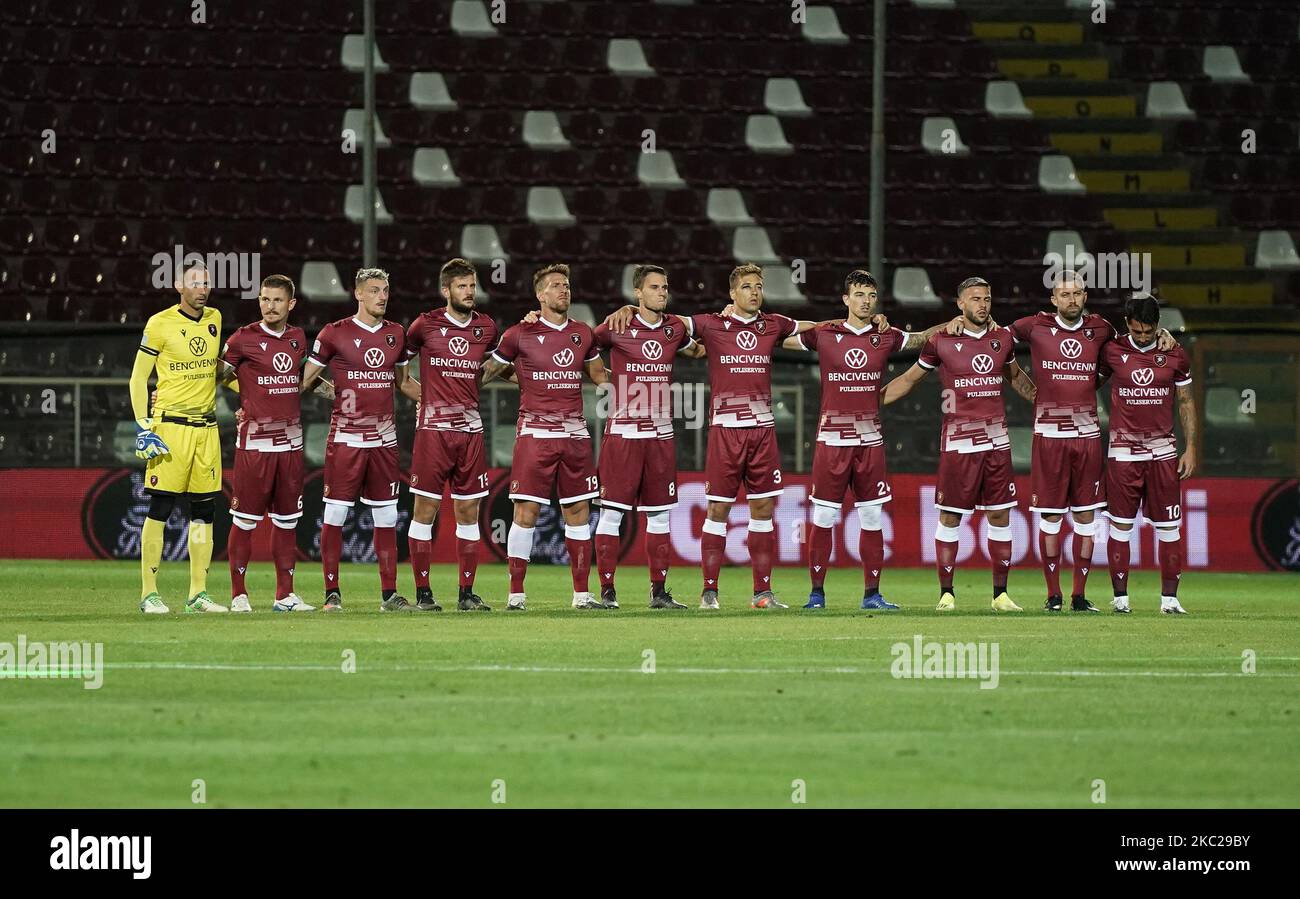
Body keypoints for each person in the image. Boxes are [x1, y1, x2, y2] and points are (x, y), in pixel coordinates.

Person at [881, 276, 1037, 612]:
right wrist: (871, 401)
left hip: (996, 444)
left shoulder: (1003, 339)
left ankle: (1000, 595)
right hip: (958, 446)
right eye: (976, 299)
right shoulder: (941, 341)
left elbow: (1017, 379)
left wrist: (1043, 402)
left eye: (987, 298)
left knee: (1000, 516)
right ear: (960, 304)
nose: (983, 304)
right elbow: (909, 379)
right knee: (951, 517)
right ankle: (947, 594)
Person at [300, 267, 413, 611]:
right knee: (335, 514)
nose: (382, 296)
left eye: (386, 291)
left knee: (387, 516)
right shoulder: (335, 333)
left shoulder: (396, 333)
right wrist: (332, 392)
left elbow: (404, 382)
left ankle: (389, 594)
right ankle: (331, 593)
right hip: (347, 439)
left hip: (384, 441)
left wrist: (435, 400)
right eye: (375, 290)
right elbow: (305, 380)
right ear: (358, 294)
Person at [129, 262, 227, 613]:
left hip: (207, 429)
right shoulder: (159, 324)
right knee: (161, 507)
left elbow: (217, 370)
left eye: (206, 282)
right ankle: (148, 594)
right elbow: (138, 378)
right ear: (178, 286)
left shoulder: (215, 318)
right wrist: (144, 426)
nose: (202, 288)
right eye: (195, 283)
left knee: (204, 511)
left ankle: (197, 594)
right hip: (171, 428)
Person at [1098, 293, 1197, 614]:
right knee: (1120, 527)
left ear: (1159, 326)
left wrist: (1191, 447)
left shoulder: (1176, 355)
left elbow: (1185, 402)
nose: (1143, 337)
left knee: (1169, 528)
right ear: (1127, 324)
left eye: (1149, 331)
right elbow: (1086, 382)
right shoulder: (1112, 350)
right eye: (1137, 331)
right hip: (1123, 455)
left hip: (1163, 454)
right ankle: (1121, 599)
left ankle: (1170, 599)